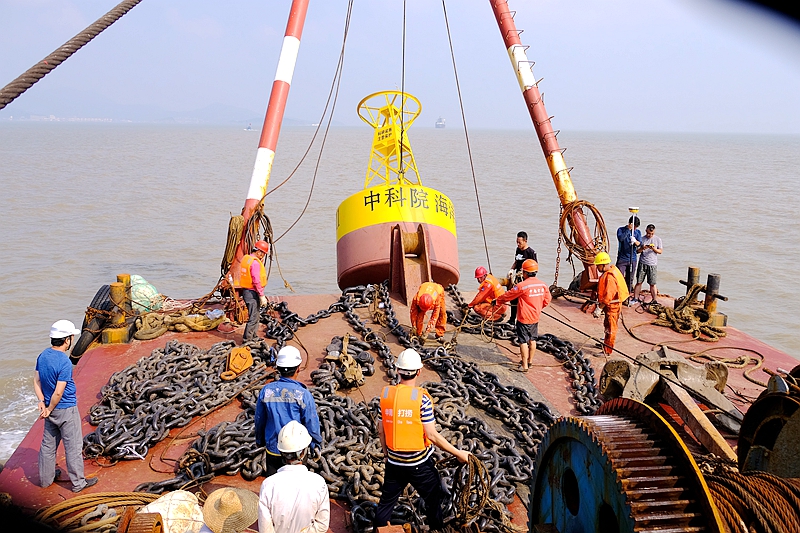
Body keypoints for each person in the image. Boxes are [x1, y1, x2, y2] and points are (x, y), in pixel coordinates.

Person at [373, 349, 470, 531]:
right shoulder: (421, 400)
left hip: (394, 463)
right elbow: (432, 435)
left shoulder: (385, 397)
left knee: (386, 503)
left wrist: (387, 455)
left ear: (398, 370)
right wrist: (458, 453)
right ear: (418, 372)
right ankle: (436, 528)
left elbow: (381, 431)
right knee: (433, 498)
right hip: (419, 464)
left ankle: (379, 528)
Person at [34, 320, 98, 493]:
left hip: (50, 410)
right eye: (71, 337)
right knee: (73, 447)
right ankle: (78, 483)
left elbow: (37, 381)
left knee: (48, 446)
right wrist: (50, 408)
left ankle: (45, 480)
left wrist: (42, 403)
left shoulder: (43, 356)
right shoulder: (64, 362)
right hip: (66, 409)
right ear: (67, 340)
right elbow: (58, 392)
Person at [254, 346, 322, 477]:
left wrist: (260, 440)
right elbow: (311, 422)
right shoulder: (303, 394)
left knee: (274, 481)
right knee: (298, 483)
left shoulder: (266, 391)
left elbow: (259, 419)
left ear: (278, 368)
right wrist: (315, 444)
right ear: (298, 368)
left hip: (274, 449)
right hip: (297, 451)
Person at [258, 421, 330, 533]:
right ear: (304, 452)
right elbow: (322, 526)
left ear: (281, 452)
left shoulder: (268, 485)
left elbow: (265, 529)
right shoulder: (319, 483)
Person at [496, 259, 551, 372]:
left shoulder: (522, 286)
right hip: (535, 317)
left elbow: (508, 295)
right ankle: (530, 362)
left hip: (524, 318)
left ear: (525, 273)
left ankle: (524, 365)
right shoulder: (543, 285)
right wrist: (538, 308)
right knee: (533, 339)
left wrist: (497, 300)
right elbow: (547, 300)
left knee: (523, 341)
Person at [593, 251, 630, 356]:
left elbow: (608, 296)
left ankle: (607, 351)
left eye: (598, 266)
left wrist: (599, 308)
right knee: (607, 325)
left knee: (611, 329)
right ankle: (605, 344)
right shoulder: (612, 270)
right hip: (610, 306)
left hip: (613, 307)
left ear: (603, 265)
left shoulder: (610, 277)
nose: (597, 268)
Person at [234, 240, 270, 342]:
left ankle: (253, 336)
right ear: (259, 252)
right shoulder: (255, 263)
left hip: (247, 291)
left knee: (256, 315)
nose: (263, 256)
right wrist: (261, 295)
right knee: (253, 317)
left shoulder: (247, 258)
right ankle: (248, 339)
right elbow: (256, 280)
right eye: (263, 254)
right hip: (252, 293)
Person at [508, 232, 537, 324]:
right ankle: (512, 319)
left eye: (520, 242)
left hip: (526, 280)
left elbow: (534, 268)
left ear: (525, 241)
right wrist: (511, 270)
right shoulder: (518, 250)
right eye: (517, 242)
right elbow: (516, 261)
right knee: (513, 298)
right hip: (517, 278)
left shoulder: (531, 252)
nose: (518, 244)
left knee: (522, 301)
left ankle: (521, 321)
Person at [633, 224, 663, 304]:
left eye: (652, 234)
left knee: (652, 283)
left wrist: (654, 249)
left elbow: (660, 251)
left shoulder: (658, 239)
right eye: (648, 233)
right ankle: (635, 298)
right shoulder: (642, 239)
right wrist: (643, 248)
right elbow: (637, 251)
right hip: (642, 263)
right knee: (639, 282)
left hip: (652, 264)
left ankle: (654, 299)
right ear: (646, 231)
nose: (650, 235)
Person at [616, 216, 641, 296]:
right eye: (634, 226)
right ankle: (619, 294)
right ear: (630, 224)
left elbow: (639, 244)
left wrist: (635, 241)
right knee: (619, 277)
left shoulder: (637, 232)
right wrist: (628, 230)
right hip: (622, 258)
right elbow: (621, 239)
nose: (635, 228)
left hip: (632, 258)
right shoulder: (621, 230)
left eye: (636, 227)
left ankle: (627, 295)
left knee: (630, 279)